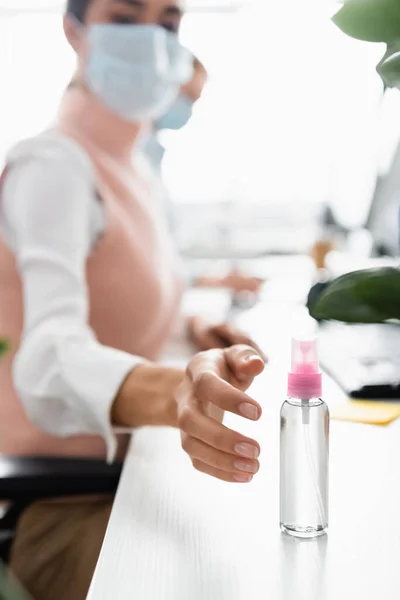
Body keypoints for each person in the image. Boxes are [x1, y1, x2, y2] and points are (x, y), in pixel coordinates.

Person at [0, 1, 266, 598]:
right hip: (71, 502)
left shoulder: (132, 170)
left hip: (139, 476)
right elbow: (45, 351)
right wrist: (171, 390)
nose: (150, 39)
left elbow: (136, 303)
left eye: (168, 22)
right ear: (74, 32)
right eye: (124, 16)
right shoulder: (52, 165)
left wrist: (194, 329)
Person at [143, 55, 265, 294]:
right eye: (186, 98)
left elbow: (161, 259)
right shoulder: (135, 157)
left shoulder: (152, 156)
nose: (187, 109)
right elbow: (140, 263)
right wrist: (217, 282)